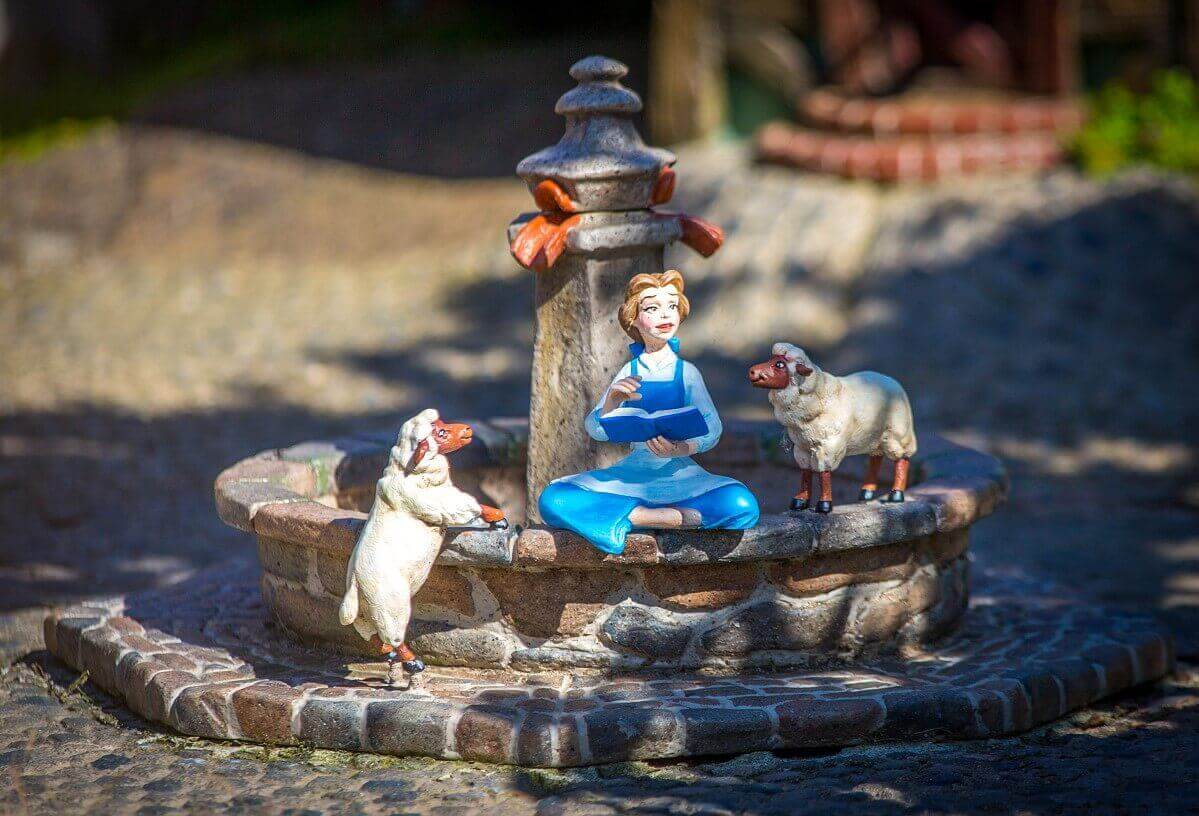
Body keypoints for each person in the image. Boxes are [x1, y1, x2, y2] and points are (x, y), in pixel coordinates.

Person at [538, 269, 759, 553]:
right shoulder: (628, 371)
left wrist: (681, 448)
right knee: (554, 498)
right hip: (634, 472)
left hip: (679, 473)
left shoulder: (687, 372)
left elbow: (712, 426)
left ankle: (632, 516)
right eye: (652, 308)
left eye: (672, 306)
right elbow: (595, 428)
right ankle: (656, 517)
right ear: (634, 319)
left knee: (741, 504)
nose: (665, 314)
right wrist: (612, 401)